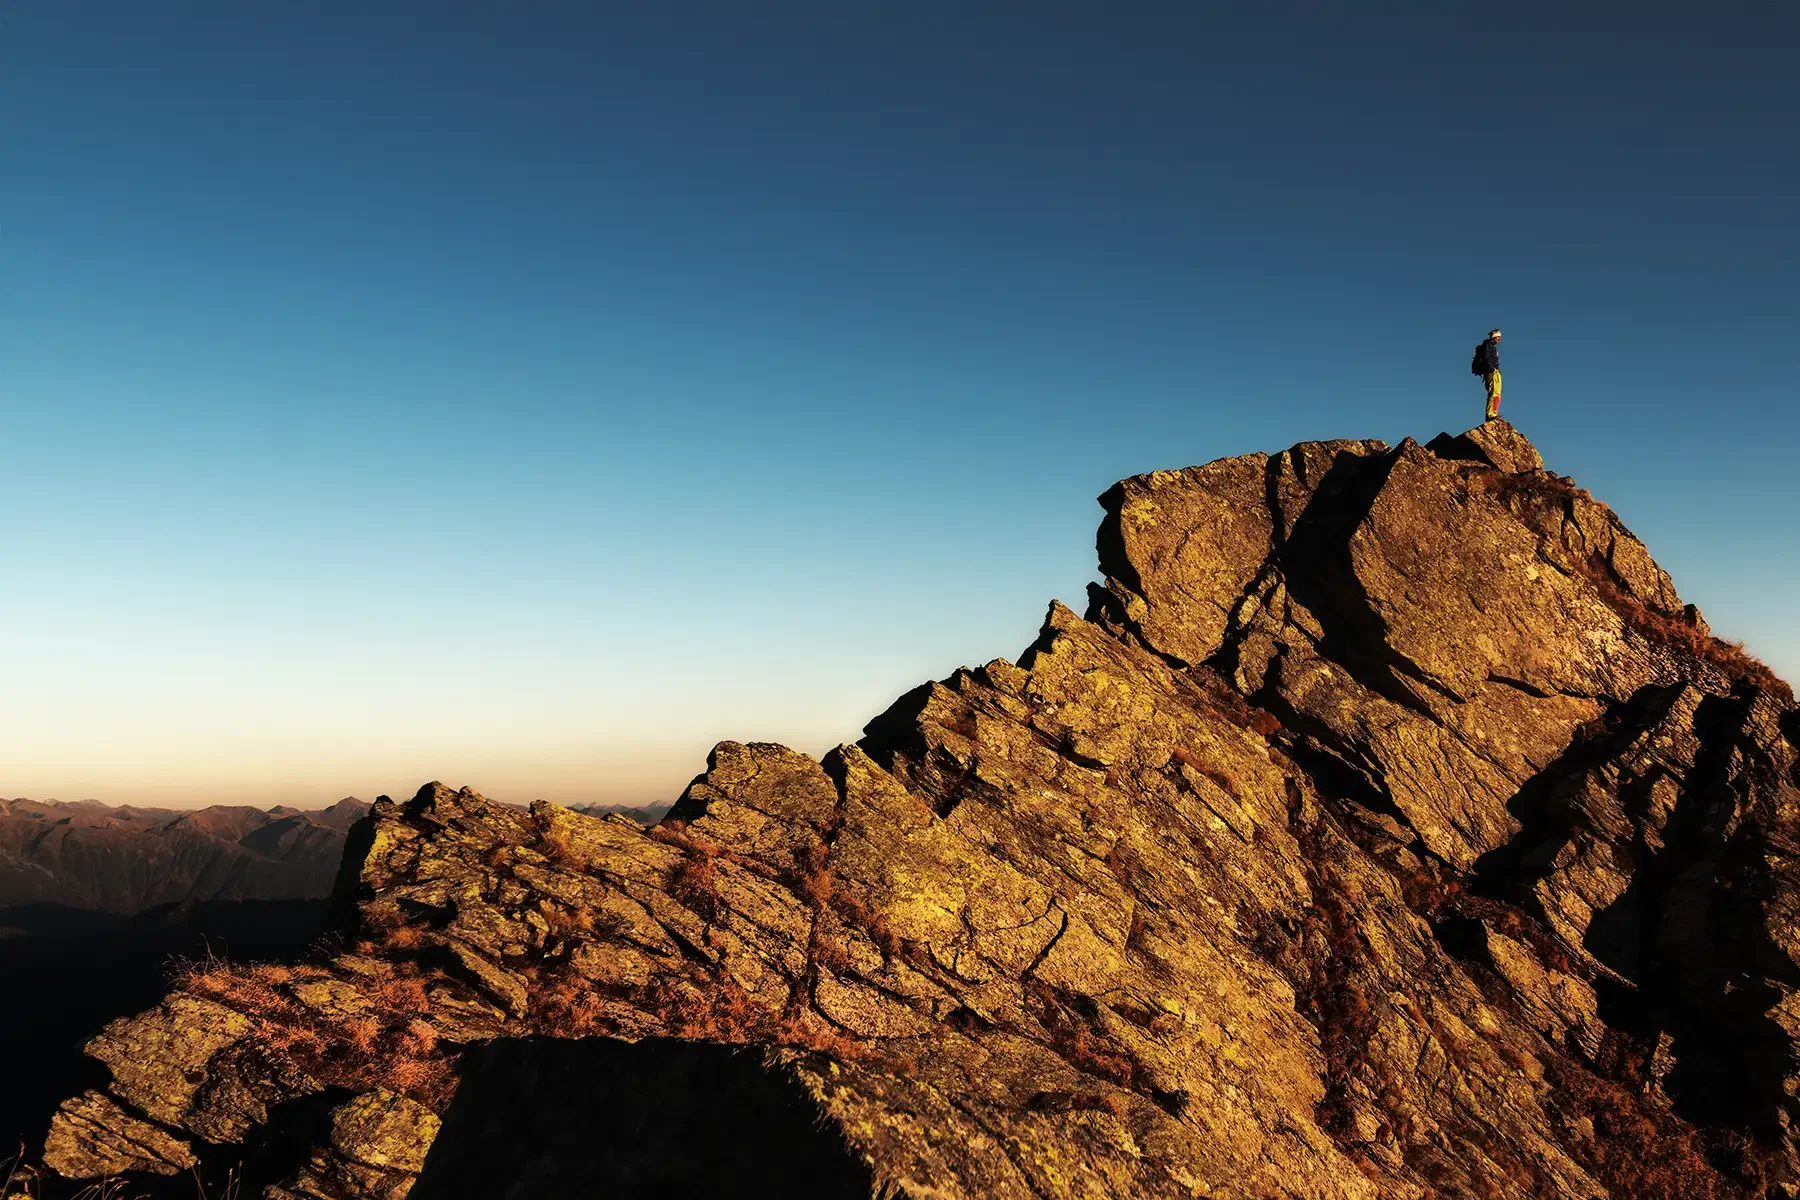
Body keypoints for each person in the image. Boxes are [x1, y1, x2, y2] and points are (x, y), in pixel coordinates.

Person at [1472, 329, 1502, 420]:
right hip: (1492, 372)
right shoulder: (1488, 345)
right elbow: (1486, 357)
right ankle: (1491, 414)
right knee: (1494, 393)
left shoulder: (1490, 346)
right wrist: (1492, 369)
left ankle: (1492, 413)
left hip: (1493, 371)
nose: (1499, 339)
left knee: (1496, 394)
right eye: (1498, 337)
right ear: (1494, 337)